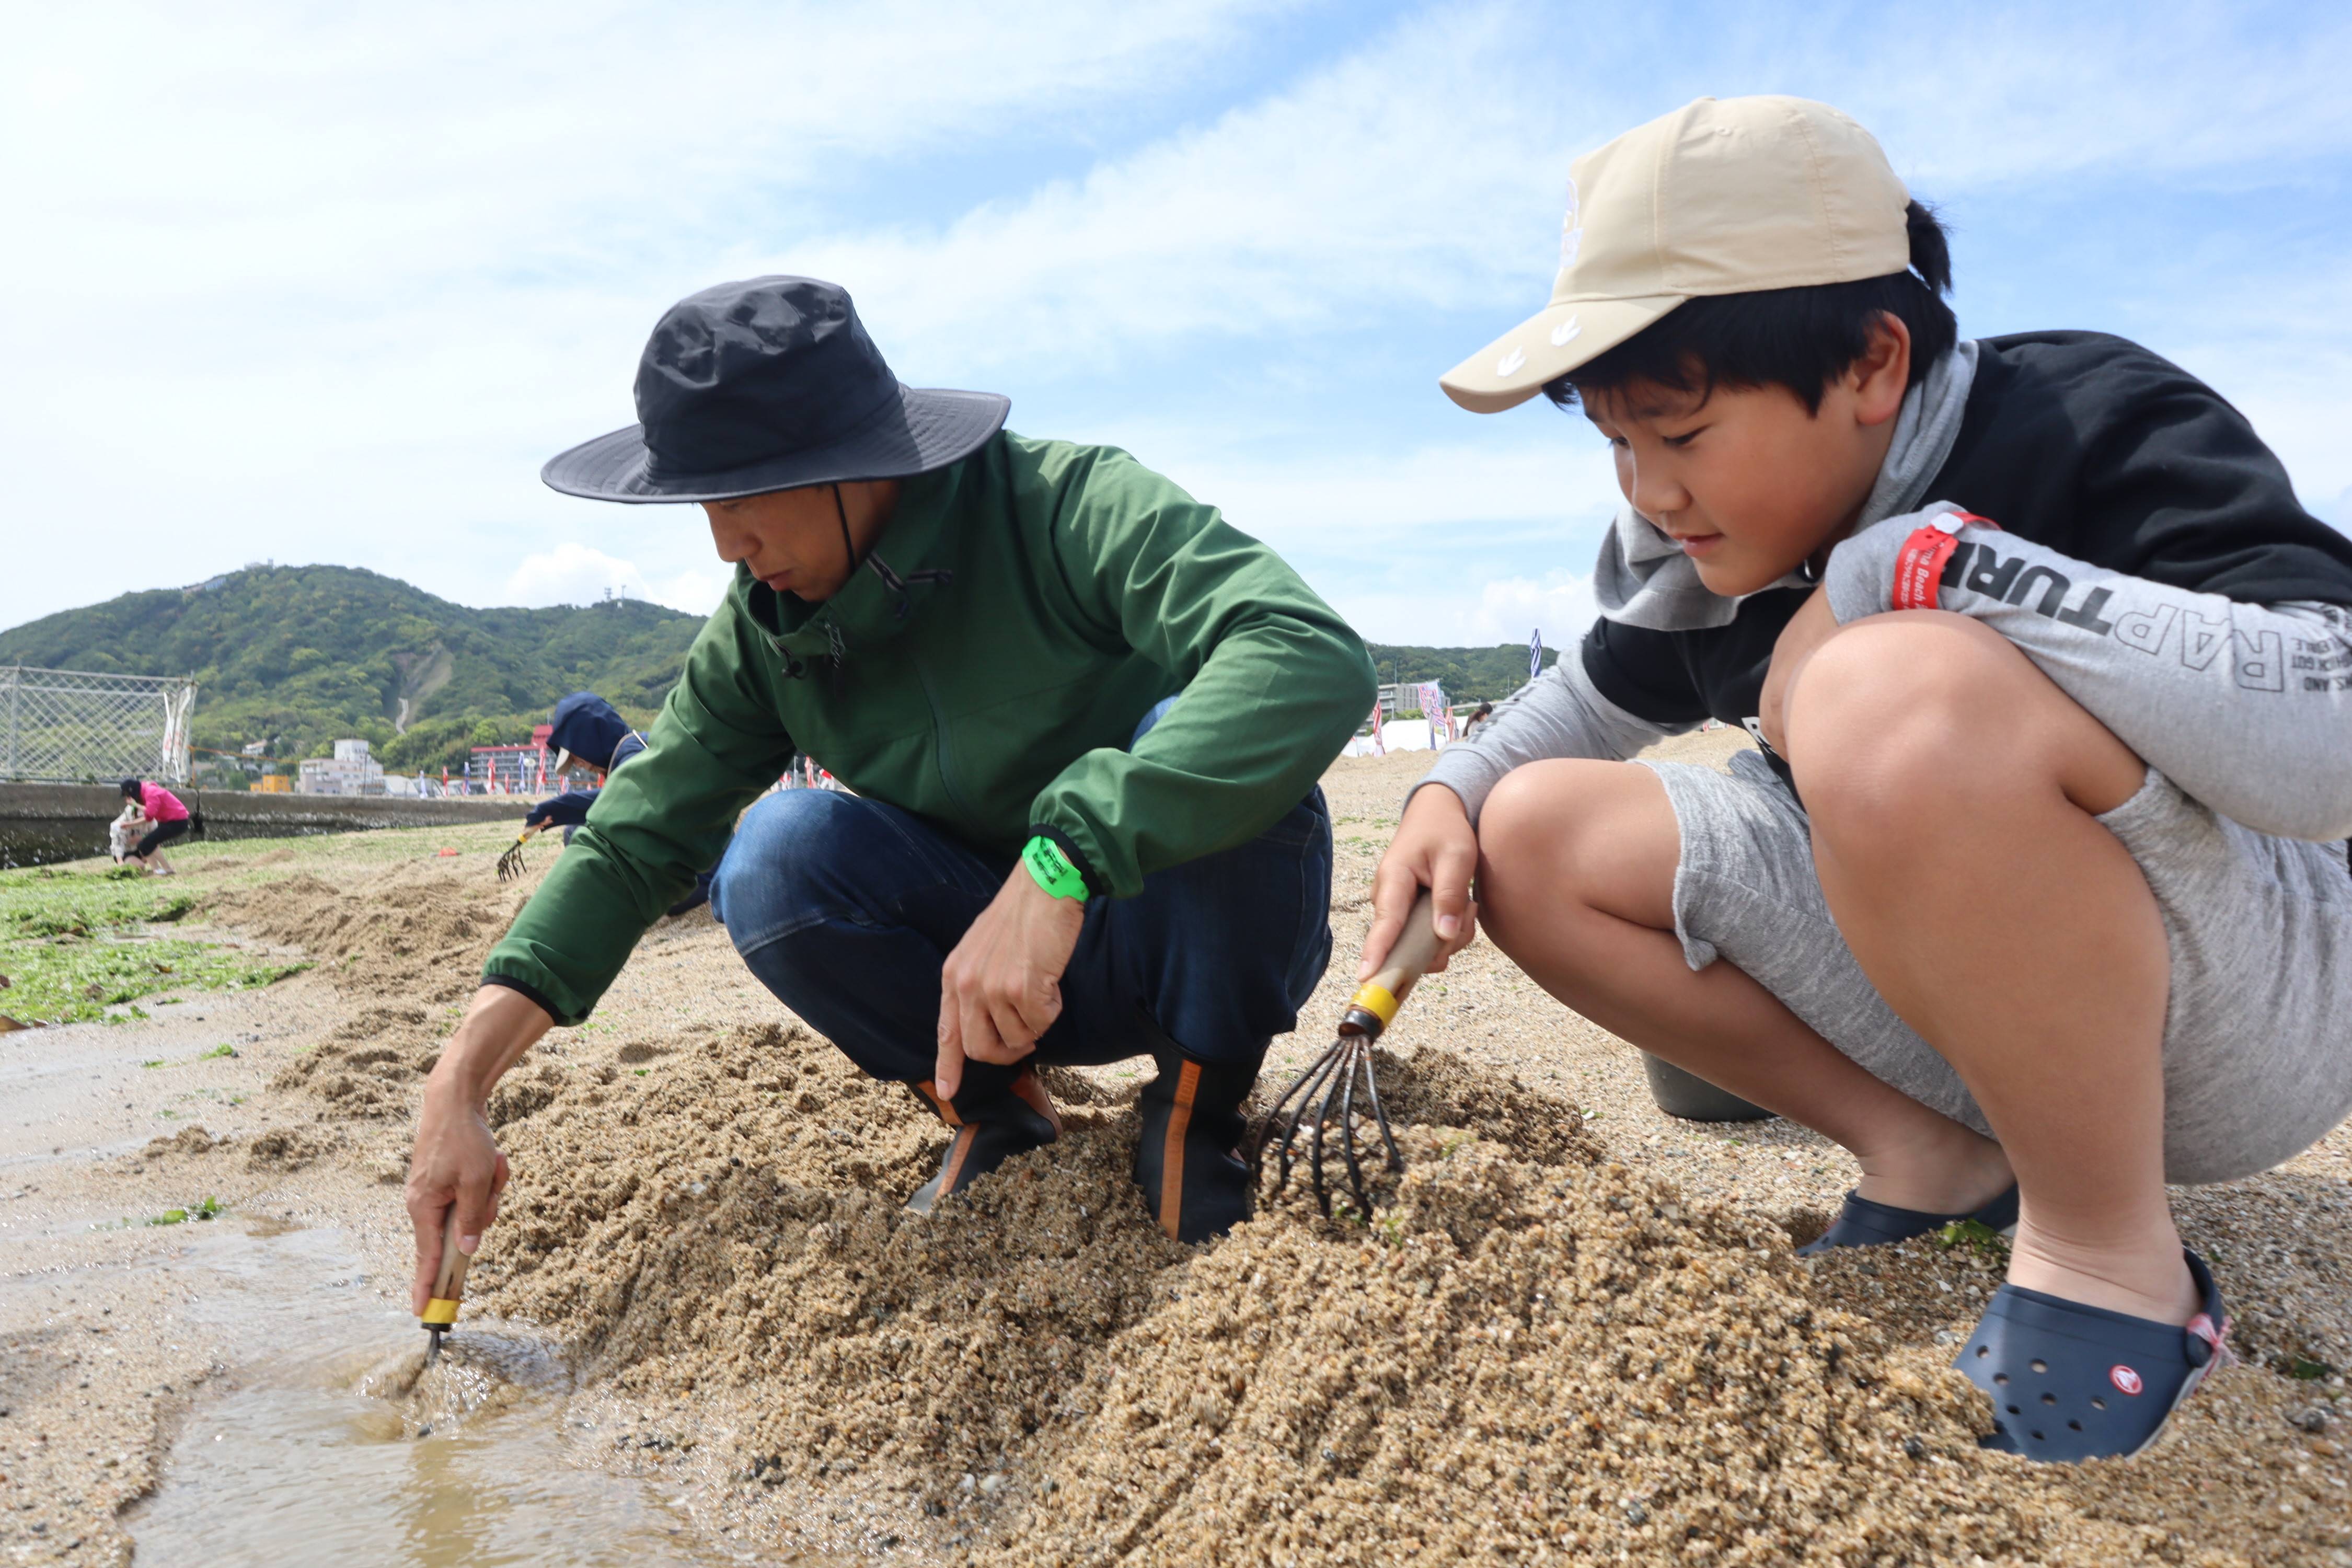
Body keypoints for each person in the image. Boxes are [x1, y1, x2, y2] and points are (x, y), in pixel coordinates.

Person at [1369, 96, 2352, 1462]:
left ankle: (2114, 1261)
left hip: (2245, 1006)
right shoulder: (1704, 557)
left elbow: (2328, 744)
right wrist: (1439, 797)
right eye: (1616, 441)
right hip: (1965, 1023)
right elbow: (1567, 714)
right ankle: (1934, 1161)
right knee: (1522, 830)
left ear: (1873, 363)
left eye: (1682, 432)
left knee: (1883, 690)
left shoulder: (2076, 420)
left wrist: (1917, 574)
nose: (1649, 491)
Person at [405, 275, 1373, 1315]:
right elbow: (634, 841)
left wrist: (1064, 858)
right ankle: (994, 1115)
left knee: (1200, 728)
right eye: (704, 507)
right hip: (978, 997)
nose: (725, 546)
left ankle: (1197, 1114)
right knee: (773, 854)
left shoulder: (1062, 505)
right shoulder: (764, 630)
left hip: (1174, 938)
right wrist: (462, 1079)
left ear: (840, 461)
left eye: (736, 499)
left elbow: (1304, 652)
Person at [519, 691, 714, 915]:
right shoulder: (635, 747)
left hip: (697, 879)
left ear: (590, 739)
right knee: (582, 829)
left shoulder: (633, 754)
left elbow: (625, 796)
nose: (579, 765)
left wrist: (554, 809)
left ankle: (602, 910)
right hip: (696, 868)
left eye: (576, 755)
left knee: (579, 833)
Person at [116, 778, 191, 874]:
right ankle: (157, 870)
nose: (129, 798)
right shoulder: (147, 791)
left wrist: (135, 806)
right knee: (143, 845)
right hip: (171, 821)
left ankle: (168, 869)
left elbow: (150, 815)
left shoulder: (151, 793)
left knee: (148, 843)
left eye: (128, 795)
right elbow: (149, 817)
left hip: (178, 822)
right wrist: (130, 824)